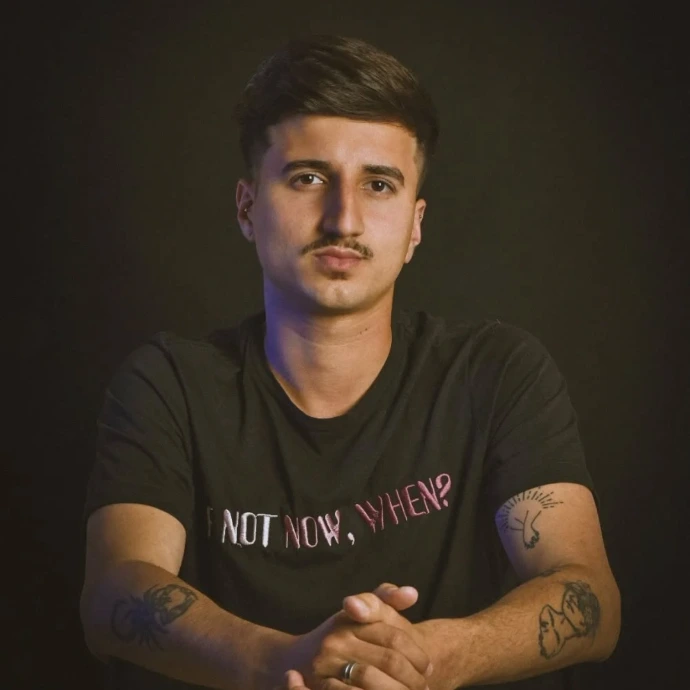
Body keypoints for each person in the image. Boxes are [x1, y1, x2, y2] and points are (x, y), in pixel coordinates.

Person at [80, 34, 621, 690]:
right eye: (307, 178)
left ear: (415, 225)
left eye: (379, 184)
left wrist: (428, 658)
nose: (343, 219)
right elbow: (113, 595)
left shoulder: (497, 373)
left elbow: (589, 596)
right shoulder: (169, 385)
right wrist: (283, 661)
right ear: (247, 207)